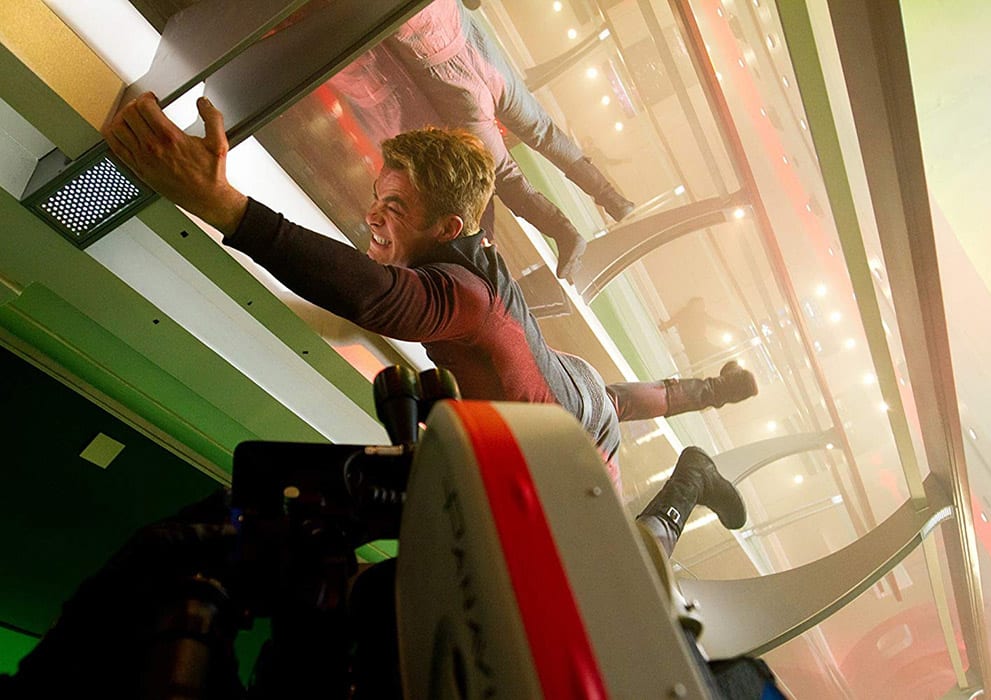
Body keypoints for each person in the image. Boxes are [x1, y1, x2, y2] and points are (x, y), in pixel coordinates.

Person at [102, 92, 756, 554]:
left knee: (630, 567)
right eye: (377, 197)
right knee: (613, 400)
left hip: (579, 435)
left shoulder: (462, 295)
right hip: (568, 386)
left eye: (394, 206)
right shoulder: (469, 242)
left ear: (448, 226)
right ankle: (712, 391)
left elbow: (372, 297)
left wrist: (223, 203)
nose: (372, 216)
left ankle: (692, 476)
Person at [384, 0, 635, 281]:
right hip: (474, 46)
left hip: (447, 74)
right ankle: (611, 199)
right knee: (543, 131)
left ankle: (565, 232)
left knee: (505, 175)